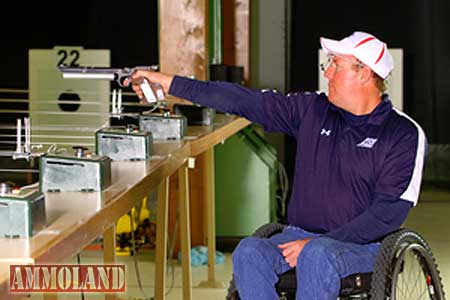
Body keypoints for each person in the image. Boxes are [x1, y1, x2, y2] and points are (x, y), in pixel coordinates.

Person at [126, 31, 427, 300]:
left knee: (317, 255)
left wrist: (318, 242)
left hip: (362, 247)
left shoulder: (402, 134)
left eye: (337, 65)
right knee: (250, 252)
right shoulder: (313, 109)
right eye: (329, 64)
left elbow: (387, 215)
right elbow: (244, 100)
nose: (328, 73)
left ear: (365, 74)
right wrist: (171, 85)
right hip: (300, 236)